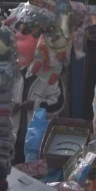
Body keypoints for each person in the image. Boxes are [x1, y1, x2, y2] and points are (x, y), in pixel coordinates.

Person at [12, 33, 65, 165]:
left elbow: (58, 104)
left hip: (36, 143)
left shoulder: (52, 79)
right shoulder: (18, 74)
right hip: (14, 139)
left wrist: (35, 104)